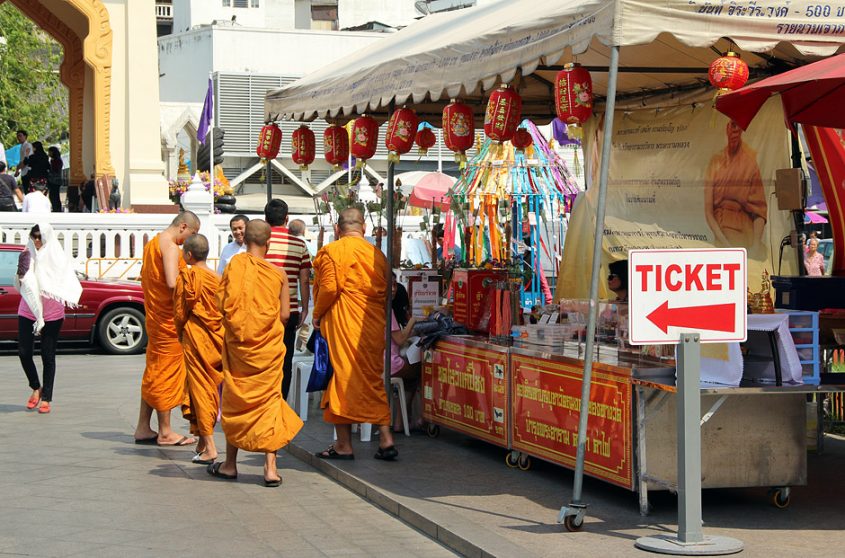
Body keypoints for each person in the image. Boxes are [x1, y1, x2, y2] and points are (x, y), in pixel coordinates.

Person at [209, 219, 303, 487]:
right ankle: (270, 468)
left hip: (239, 348)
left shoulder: (233, 266)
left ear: (244, 239)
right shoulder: (278, 274)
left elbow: (222, 306)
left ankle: (229, 464)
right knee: (269, 402)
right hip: (267, 350)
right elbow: (285, 315)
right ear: (269, 242)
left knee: (236, 401)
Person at [313, 208, 397, 461]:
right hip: (370, 327)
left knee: (340, 380)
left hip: (344, 325)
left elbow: (328, 287)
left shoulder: (333, 251)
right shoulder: (378, 256)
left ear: (337, 230)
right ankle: (385, 438)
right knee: (371, 380)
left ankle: (344, 445)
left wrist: (316, 313)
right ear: (365, 229)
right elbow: (387, 292)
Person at [133, 211, 200, 446]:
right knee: (164, 372)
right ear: (183, 226)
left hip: (155, 317)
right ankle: (165, 431)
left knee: (153, 371)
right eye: (192, 234)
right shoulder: (170, 247)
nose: (190, 240)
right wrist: (194, 284)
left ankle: (143, 427)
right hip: (168, 321)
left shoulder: (153, 243)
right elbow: (172, 283)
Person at [17, 223, 83, 414]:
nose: (37, 240)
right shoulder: (26, 254)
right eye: (34, 236)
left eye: (40, 237)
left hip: (52, 313)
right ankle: (35, 386)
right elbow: (21, 278)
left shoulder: (57, 257)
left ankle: (46, 397)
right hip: (28, 309)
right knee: (23, 352)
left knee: (48, 355)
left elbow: (66, 280)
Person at [174, 234, 224, 465]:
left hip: (196, 337)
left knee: (201, 390)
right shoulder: (219, 278)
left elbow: (180, 311)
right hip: (218, 339)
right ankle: (203, 442)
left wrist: (180, 332)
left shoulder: (188, 276)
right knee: (210, 389)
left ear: (189, 255)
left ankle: (211, 447)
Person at [264, 199, 312, 400]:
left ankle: (263, 402)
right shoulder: (300, 244)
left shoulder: (261, 242)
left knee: (263, 359)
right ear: (287, 218)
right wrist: (304, 309)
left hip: (263, 310)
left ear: (266, 219)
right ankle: (280, 402)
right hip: (289, 310)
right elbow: (304, 280)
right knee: (285, 359)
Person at [704, 120, 767, 256]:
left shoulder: (750, 163)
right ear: (727, 128)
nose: (735, 131)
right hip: (723, 233)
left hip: (745, 234)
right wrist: (725, 244)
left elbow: (759, 212)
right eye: (732, 125)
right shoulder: (716, 162)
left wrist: (756, 245)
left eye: (738, 126)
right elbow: (708, 212)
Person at [389, 282, 420, 432]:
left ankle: (400, 421)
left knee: (403, 378)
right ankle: (405, 420)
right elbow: (400, 339)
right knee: (416, 373)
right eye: (390, 285)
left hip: (371, 363)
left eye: (395, 285)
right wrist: (413, 321)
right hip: (389, 364)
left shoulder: (370, 309)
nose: (393, 289)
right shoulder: (387, 311)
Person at [46, 146, 63, 212]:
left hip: (55, 180)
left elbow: (54, 170)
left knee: (54, 196)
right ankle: (56, 208)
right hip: (54, 180)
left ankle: (57, 209)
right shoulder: (54, 160)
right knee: (53, 195)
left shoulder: (57, 160)